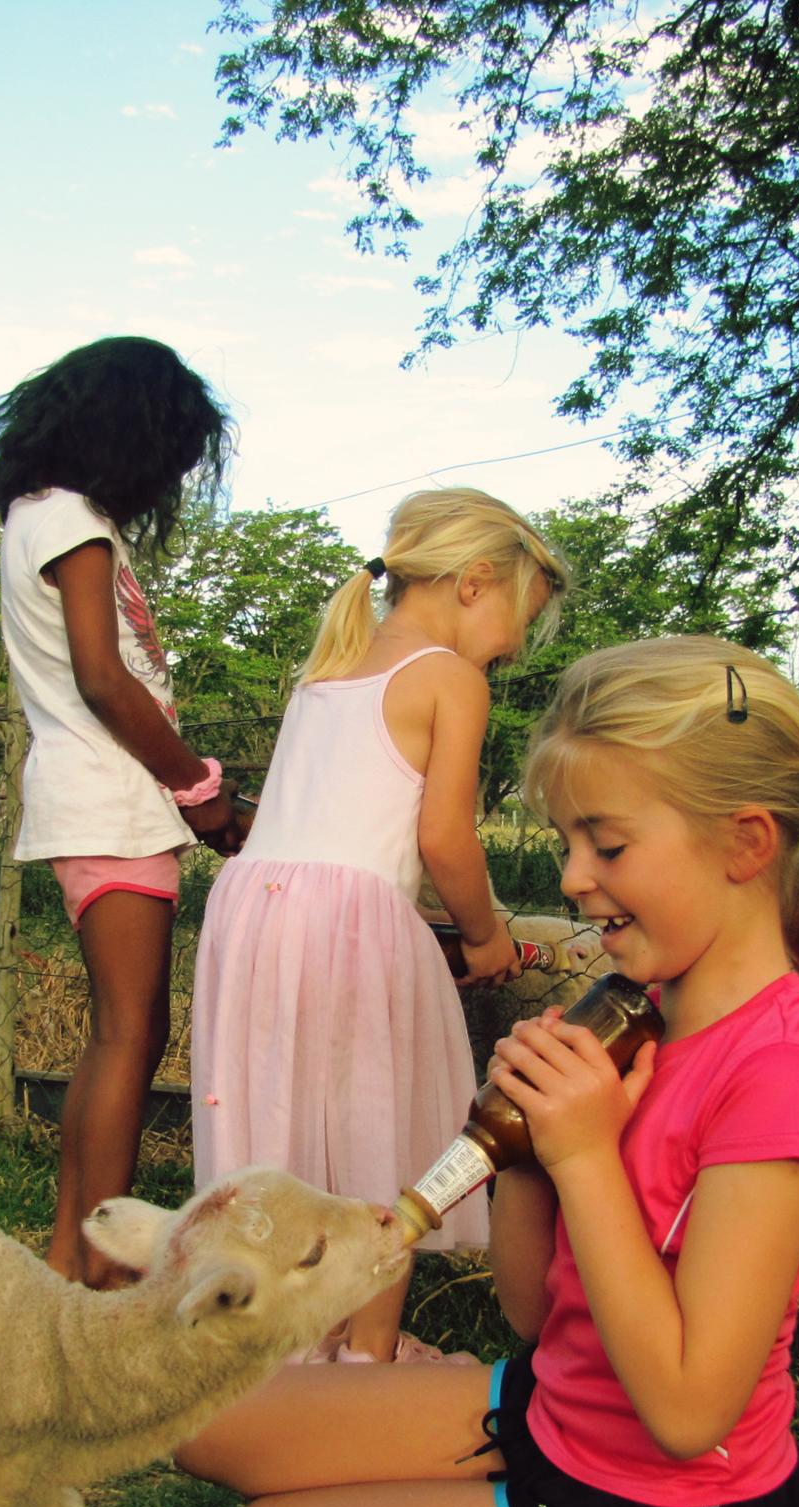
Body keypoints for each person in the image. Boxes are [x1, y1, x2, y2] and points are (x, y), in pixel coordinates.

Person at [177, 636, 799, 1507]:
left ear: (743, 844)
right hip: (548, 1413)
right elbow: (537, 1313)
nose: (574, 877)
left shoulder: (775, 1084)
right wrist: (530, 1154)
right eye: (569, 840)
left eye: (608, 844)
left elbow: (683, 1408)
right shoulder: (646, 1014)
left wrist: (584, 1156)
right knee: (209, 1425)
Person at [190, 488, 570, 1363]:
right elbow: (442, 837)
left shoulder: (330, 668)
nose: (511, 649)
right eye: (520, 621)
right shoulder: (450, 677)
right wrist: (484, 936)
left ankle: (282, 1339)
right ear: (476, 582)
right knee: (376, 1129)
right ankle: (369, 1352)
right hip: (350, 927)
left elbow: (343, 834)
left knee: (283, 1121)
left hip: (255, 916)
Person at [0, 336, 242, 1287]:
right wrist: (197, 790)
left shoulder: (54, 517)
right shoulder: (68, 520)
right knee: (133, 1031)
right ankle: (106, 1269)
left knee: (117, 1032)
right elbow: (102, 680)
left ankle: (70, 1254)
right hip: (109, 796)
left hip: (107, 798)